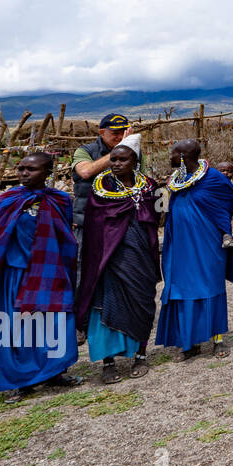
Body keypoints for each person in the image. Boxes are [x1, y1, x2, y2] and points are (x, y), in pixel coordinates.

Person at [0, 152, 80, 400]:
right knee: (13, 328)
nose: (24, 174)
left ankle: (52, 372)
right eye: (21, 169)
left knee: (51, 325)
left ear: (48, 172)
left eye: (32, 169)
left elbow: (65, 239)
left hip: (49, 273)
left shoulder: (59, 200)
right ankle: (17, 380)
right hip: (14, 275)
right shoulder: (7, 201)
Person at [74, 143, 161, 384]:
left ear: (135, 161)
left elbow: (156, 218)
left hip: (140, 254)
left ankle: (141, 355)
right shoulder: (100, 189)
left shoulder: (150, 186)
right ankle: (108, 361)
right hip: (108, 258)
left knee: (142, 301)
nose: (116, 164)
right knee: (105, 302)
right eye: (113, 159)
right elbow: (93, 227)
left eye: (123, 160)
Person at [156, 140, 233, 360]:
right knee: (182, 289)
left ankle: (217, 339)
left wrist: (221, 226)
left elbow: (229, 200)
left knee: (211, 287)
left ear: (183, 156)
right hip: (180, 244)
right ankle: (189, 342)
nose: (169, 156)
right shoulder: (177, 180)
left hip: (207, 243)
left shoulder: (213, 178)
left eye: (173, 153)